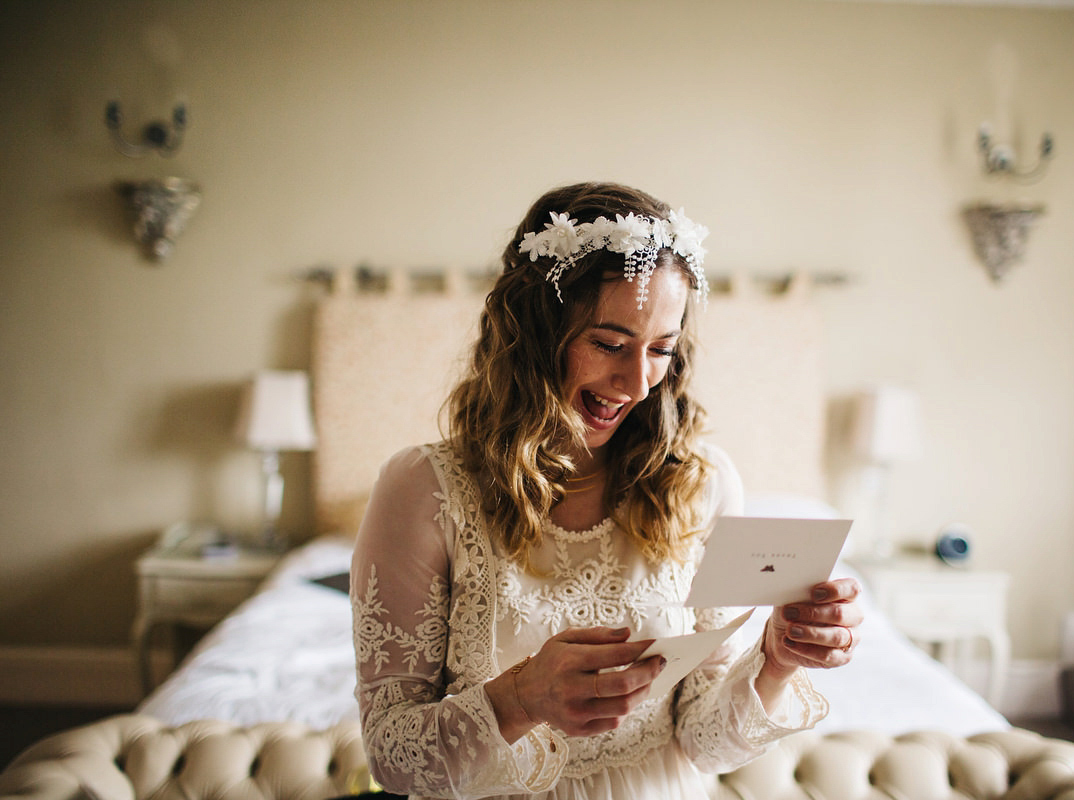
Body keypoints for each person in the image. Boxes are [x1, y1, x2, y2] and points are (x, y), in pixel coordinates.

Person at [350, 182, 862, 800]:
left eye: (662, 350)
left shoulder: (702, 484)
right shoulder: (424, 491)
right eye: (609, 344)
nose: (638, 381)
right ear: (534, 334)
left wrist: (776, 663)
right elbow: (391, 755)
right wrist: (520, 698)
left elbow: (705, 744)